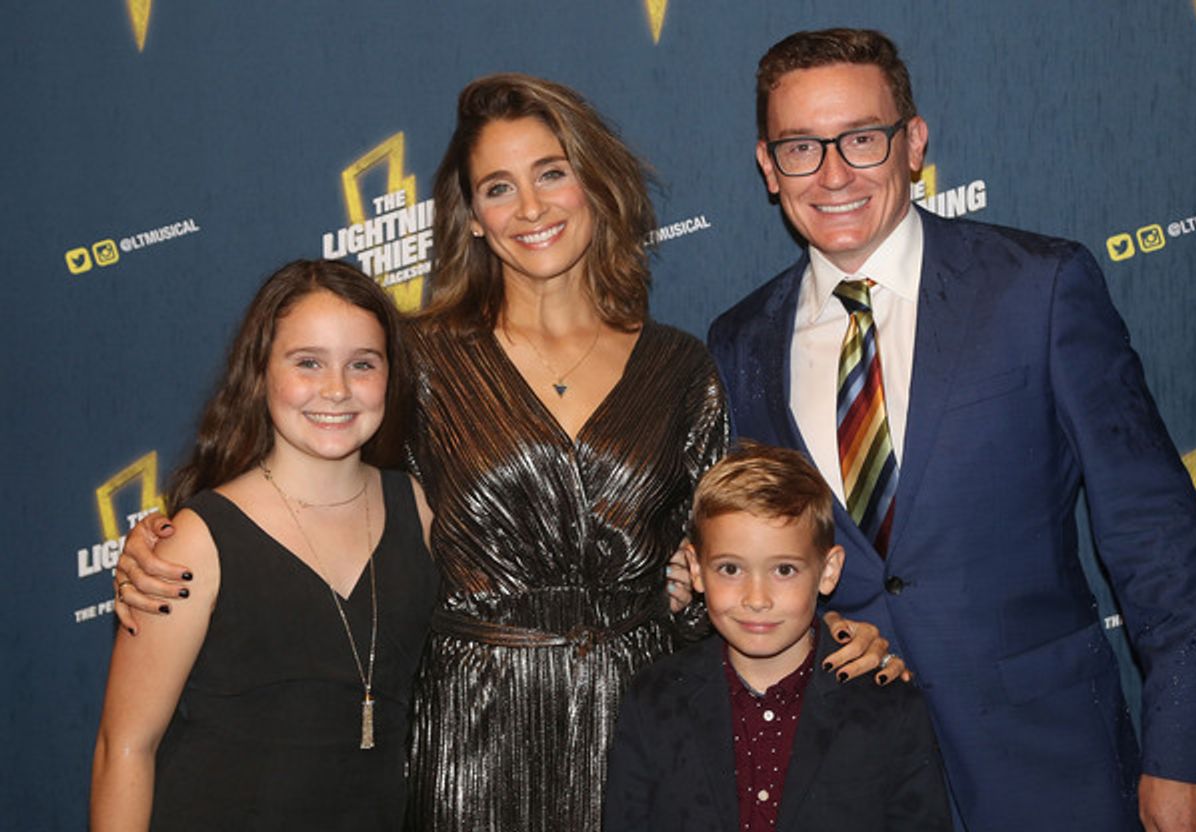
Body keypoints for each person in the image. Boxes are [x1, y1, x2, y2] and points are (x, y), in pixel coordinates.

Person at [112, 74, 902, 832]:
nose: (530, 207)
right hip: (469, 733)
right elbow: (311, 474)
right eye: (498, 187)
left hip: (638, 721)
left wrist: (828, 631)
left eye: (552, 173)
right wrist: (168, 539)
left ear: (595, 184)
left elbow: (730, 554)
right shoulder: (419, 360)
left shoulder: (680, 368)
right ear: (473, 216)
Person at [707, 27, 1196, 832]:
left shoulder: (1038, 289)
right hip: (856, 781)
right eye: (801, 147)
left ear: (914, 143)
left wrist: (1182, 754)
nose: (833, 174)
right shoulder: (741, 341)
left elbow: (1158, 544)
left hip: (1050, 765)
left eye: (862, 139)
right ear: (768, 167)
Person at [91, 260, 438, 830]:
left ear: (390, 376)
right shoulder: (193, 544)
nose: (336, 389)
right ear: (261, 372)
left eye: (362, 364)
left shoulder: (419, 510)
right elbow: (125, 746)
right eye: (308, 363)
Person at [604, 441, 952, 832]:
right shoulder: (654, 697)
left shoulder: (889, 706)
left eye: (784, 570)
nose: (757, 599)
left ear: (828, 570)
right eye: (730, 569)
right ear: (695, 568)